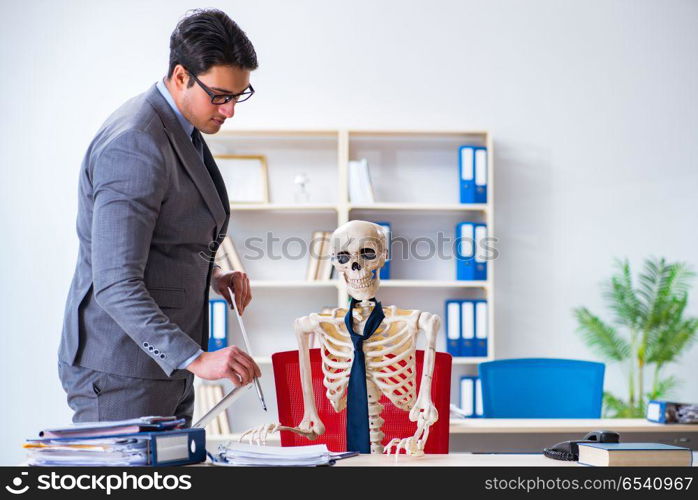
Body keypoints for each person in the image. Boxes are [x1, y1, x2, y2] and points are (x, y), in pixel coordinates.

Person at [57, 9, 261, 426]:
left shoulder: (180, 127)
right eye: (220, 95)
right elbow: (115, 281)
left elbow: (165, 236)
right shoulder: (135, 142)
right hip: (122, 371)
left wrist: (213, 275)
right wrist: (195, 357)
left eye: (239, 95)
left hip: (161, 366)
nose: (230, 110)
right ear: (182, 76)